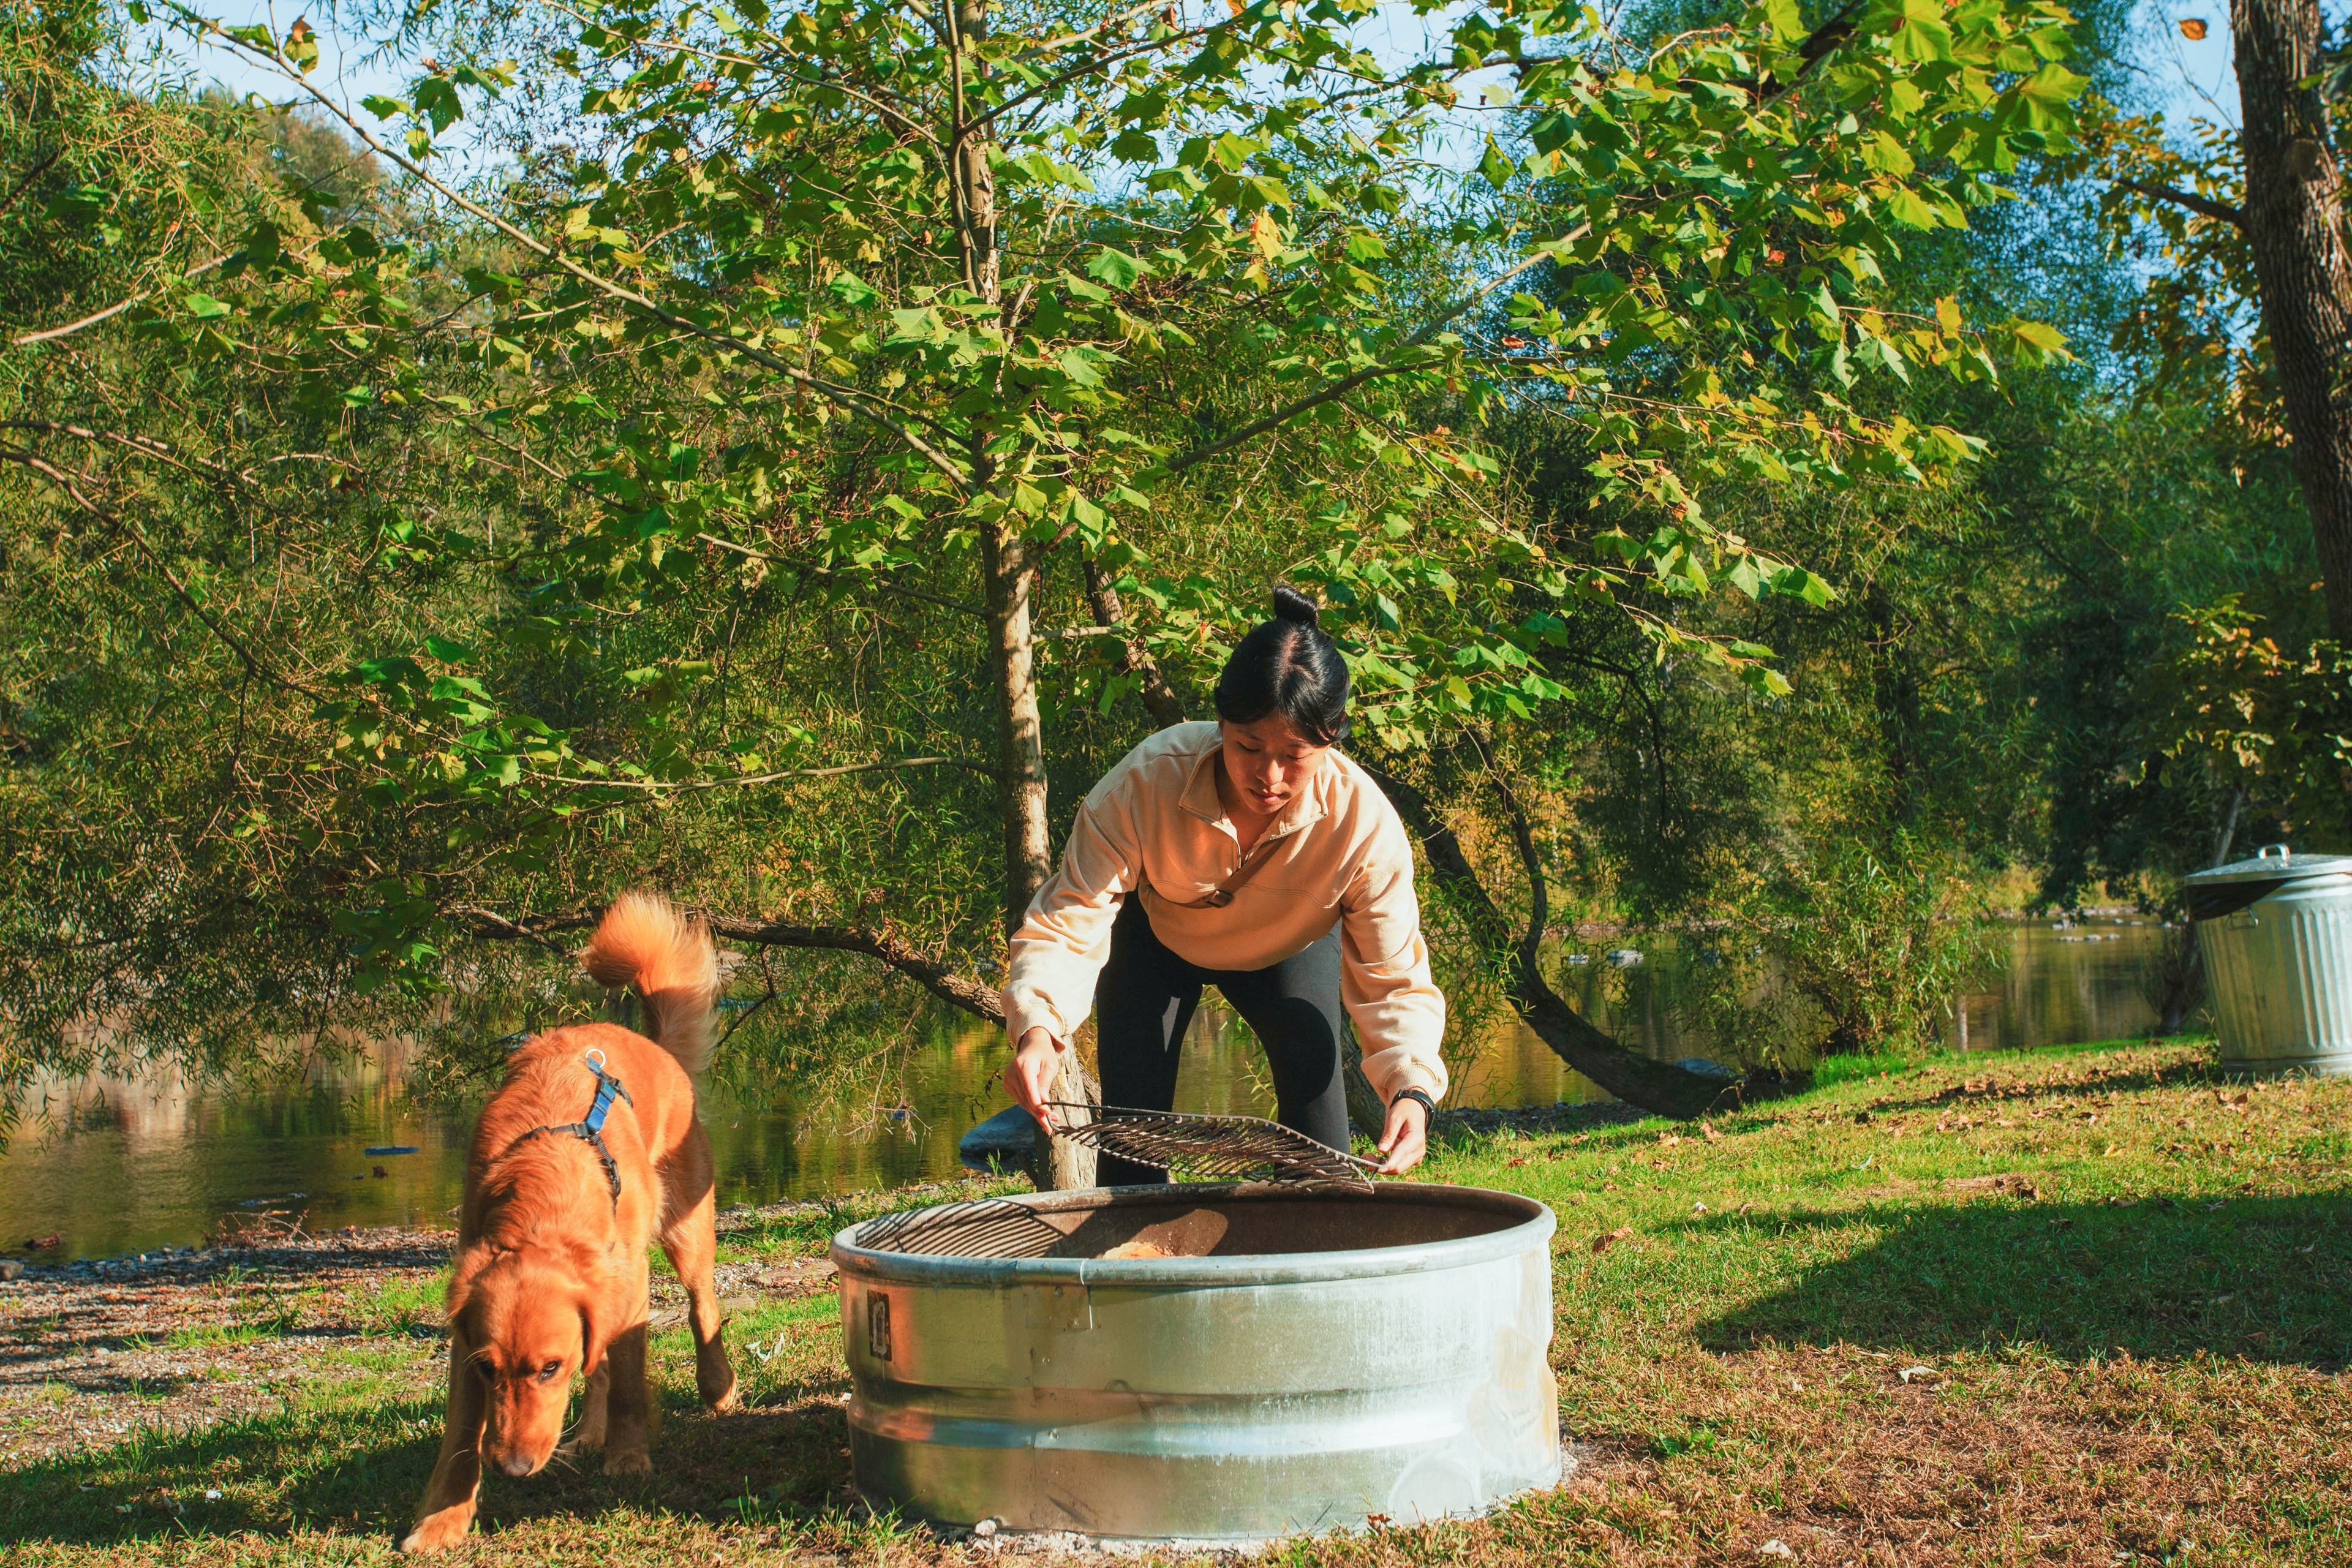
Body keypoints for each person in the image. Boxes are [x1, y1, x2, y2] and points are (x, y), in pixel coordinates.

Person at [999, 584, 1447, 1182]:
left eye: (1295, 755)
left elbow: (1394, 979)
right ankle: (1134, 1268)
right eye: (1249, 746)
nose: (1269, 775)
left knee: (1318, 1114)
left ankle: (1311, 1264)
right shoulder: (1144, 782)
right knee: (1134, 1129)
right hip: (1156, 940)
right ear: (1221, 722)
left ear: (1332, 738)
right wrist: (1037, 1028)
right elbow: (1069, 920)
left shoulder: (1363, 826)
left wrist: (1412, 1092)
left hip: (1292, 951)